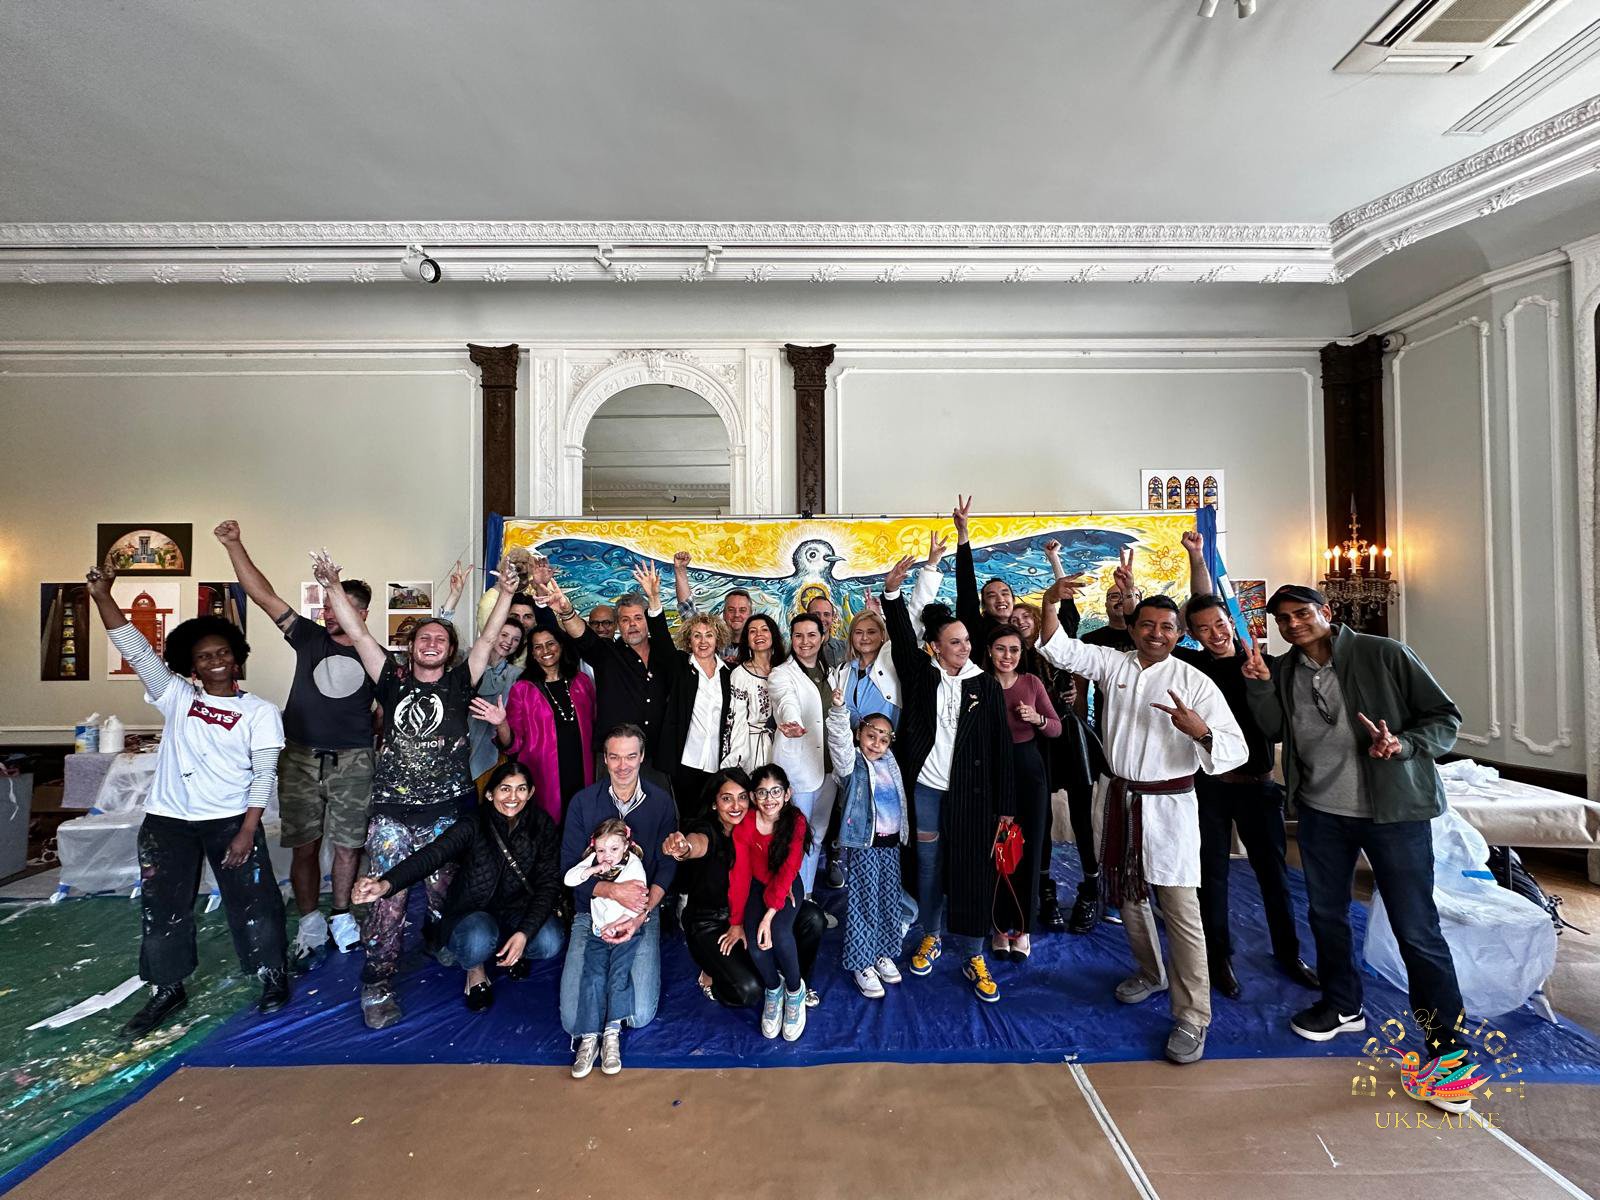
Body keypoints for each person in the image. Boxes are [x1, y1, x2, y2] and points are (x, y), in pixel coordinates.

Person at [1243, 585, 1466, 1085]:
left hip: (1394, 813)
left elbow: (1445, 718)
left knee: (1416, 930)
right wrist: (1259, 684)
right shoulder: (1282, 669)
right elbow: (1276, 730)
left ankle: (1447, 1046)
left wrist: (1404, 744)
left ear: (1327, 611)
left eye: (1302, 614)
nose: (1292, 625)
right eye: (1283, 618)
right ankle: (1343, 1006)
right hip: (1322, 814)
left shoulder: (1382, 653)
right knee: (1326, 915)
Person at [313, 550, 523, 1029]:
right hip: (393, 814)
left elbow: (491, 637)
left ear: (451, 652)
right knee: (388, 901)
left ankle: (440, 939)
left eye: (441, 639)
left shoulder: (458, 683)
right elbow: (362, 635)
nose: (432, 642)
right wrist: (331, 586)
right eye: (424, 637)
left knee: (445, 895)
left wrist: (508, 591)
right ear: (411, 648)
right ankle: (377, 981)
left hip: (449, 813)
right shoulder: (391, 679)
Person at [1036, 587, 1247, 1065]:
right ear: (1132, 628)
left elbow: (1236, 748)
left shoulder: (1194, 682)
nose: (1157, 634)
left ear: (1179, 634)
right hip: (1118, 796)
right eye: (1148, 625)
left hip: (1169, 803)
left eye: (1168, 627)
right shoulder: (1115, 664)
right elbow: (1060, 648)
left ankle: (1194, 1014)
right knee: (1128, 898)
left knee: (1180, 909)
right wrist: (1050, 603)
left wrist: (1202, 733)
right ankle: (1150, 972)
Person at [86, 560, 289, 1038]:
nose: (214, 661)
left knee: (254, 901)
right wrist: (101, 597)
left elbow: (264, 775)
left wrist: (245, 831)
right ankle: (166, 988)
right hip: (167, 822)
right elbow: (133, 648)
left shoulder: (260, 712)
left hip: (230, 822)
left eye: (222, 652)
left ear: (236, 657)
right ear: (191, 665)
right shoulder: (176, 695)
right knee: (163, 906)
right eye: (203, 657)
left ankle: (271, 974)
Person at [214, 520, 372, 968]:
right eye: (325, 605)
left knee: (347, 845)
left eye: (338, 605)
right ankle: (309, 920)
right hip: (300, 755)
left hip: (355, 759)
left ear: (360, 613)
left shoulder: (374, 654)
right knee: (305, 844)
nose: (328, 612)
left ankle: (341, 915)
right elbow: (262, 596)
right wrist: (234, 544)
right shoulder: (308, 637)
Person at [882, 555, 1015, 1005]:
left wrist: (1006, 808)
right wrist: (892, 594)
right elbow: (902, 641)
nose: (963, 647)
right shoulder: (923, 676)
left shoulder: (986, 686)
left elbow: (1001, 751)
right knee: (928, 868)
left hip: (972, 798)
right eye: (954, 642)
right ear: (935, 647)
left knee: (971, 871)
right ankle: (931, 936)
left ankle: (973, 953)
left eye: (966, 641)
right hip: (926, 793)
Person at [1177, 594, 1318, 999]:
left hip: (1258, 785)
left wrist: (1263, 684)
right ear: (1192, 634)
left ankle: (1289, 954)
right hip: (1210, 787)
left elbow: (1277, 729)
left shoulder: (1265, 663)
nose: (1214, 634)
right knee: (1212, 875)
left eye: (1219, 624)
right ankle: (1217, 956)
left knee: (1274, 875)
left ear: (1232, 621)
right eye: (1202, 628)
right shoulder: (1190, 667)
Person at [350, 761, 563, 1014]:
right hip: (474, 912)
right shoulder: (473, 824)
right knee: (477, 941)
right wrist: (386, 884)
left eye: (521, 789)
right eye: (505, 789)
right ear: (489, 793)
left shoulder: (542, 825)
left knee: (550, 941)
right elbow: (432, 855)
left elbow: (548, 883)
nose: (513, 798)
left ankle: (515, 951)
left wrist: (525, 933)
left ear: (531, 793)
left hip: (518, 909)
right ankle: (476, 969)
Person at [664, 770, 828, 1008]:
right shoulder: (707, 830)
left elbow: (779, 862)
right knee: (750, 991)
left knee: (812, 918)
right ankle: (711, 976)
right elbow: (696, 844)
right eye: (726, 798)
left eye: (742, 797)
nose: (736, 805)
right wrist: (683, 847)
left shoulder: (758, 823)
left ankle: (798, 985)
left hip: (753, 907)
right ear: (713, 803)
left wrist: (780, 887)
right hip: (713, 921)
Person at [559, 725, 678, 1041]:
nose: (622, 766)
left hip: (641, 912)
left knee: (638, 1015)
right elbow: (567, 868)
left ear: (641, 757)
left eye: (630, 756)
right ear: (605, 759)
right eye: (614, 757)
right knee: (573, 1021)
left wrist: (640, 911)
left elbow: (667, 866)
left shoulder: (661, 802)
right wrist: (611, 890)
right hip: (592, 915)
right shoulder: (583, 802)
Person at [984, 624, 1061, 963]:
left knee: (1028, 847)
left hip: (1029, 769)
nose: (1007, 656)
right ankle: (1000, 926)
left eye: (1013, 650)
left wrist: (1038, 719)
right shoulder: (980, 685)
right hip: (992, 771)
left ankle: (1024, 927)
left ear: (1021, 652)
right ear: (989, 651)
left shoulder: (1032, 683)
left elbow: (1057, 728)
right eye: (1000, 649)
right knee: (998, 850)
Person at [824, 692, 909, 998]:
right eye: (870, 736)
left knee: (888, 900)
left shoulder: (891, 762)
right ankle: (861, 962)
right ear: (859, 734)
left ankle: (882, 953)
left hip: (890, 845)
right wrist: (837, 711)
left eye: (883, 739)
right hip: (865, 845)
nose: (876, 744)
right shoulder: (852, 765)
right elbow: (838, 741)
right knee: (864, 902)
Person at [634, 564, 732, 813]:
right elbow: (661, 638)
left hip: (717, 762)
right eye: (697, 636)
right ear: (689, 640)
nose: (703, 641)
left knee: (712, 820)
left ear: (717, 639)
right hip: (684, 761)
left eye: (708, 635)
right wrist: (654, 598)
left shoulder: (728, 674)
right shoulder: (679, 665)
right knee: (686, 818)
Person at [724, 764, 812, 1040]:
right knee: (756, 945)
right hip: (757, 887)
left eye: (775, 791)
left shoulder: (795, 821)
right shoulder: (746, 826)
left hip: (785, 887)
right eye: (762, 792)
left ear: (787, 794)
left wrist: (769, 914)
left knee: (780, 933)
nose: (769, 798)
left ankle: (795, 991)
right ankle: (774, 988)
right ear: (752, 797)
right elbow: (739, 876)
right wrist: (736, 921)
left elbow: (789, 868)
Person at [548, 580, 673, 763]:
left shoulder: (664, 655)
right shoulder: (607, 653)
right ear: (618, 625)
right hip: (613, 758)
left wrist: (654, 598)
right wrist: (567, 612)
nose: (632, 624)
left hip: (655, 756)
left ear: (648, 621)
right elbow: (583, 635)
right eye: (625, 619)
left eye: (638, 618)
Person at [563, 817, 649, 1077]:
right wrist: (590, 870)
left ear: (626, 846)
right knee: (592, 977)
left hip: (625, 930)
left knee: (618, 976)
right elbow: (569, 879)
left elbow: (638, 903)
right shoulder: (594, 862)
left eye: (613, 849)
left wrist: (620, 924)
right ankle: (589, 1037)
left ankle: (612, 1032)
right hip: (599, 932)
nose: (607, 855)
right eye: (601, 850)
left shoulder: (634, 866)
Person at [494, 625, 597, 825]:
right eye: (538, 647)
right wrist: (501, 724)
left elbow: (595, 721)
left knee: (582, 824)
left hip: (582, 768)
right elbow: (512, 743)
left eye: (550, 644)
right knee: (548, 827)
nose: (545, 651)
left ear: (561, 645)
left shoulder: (581, 681)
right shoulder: (522, 689)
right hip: (543, 774)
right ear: (532, 653)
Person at [767, 612, 837, 896]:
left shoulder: (831, 672)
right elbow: (786, 700)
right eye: (798, 636)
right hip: (800, 768)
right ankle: (790, 900)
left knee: (817, 835)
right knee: (796, 838)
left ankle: (806, 896)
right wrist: (792, 721)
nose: (804, 641)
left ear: (822, 637)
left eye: (811, 635)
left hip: (830, 770)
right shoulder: (781, 673)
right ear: (790, 639)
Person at [721, 613, 785, 772]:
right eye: (752, 631)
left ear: (773, 635)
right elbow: (736, 721)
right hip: (753, 748)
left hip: (784, 746)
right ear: (747, 639)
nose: (759, 635)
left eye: (764, 630)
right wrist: (735, 761)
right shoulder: (740, 674)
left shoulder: (785, 670)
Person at [466, 618, 525, 783]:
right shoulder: (466, 659)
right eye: (504, 635)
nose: (508, 642)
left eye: (515, 639)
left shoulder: (518, 675)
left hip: (492, 754)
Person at [673, 552, 751, 667]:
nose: (736, 614)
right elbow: (687, 607)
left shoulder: (759, 643)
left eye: (742, 610)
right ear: (723, 614)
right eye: (731, 609)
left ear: (751, 614)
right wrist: (680, 570)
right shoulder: (710, 635)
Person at [805, 593, 849, 669]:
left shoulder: (845, 649)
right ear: (807, 617)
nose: (821, 619)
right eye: (816, 614)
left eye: (826, 614)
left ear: (832, 617)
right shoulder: (799, 650)